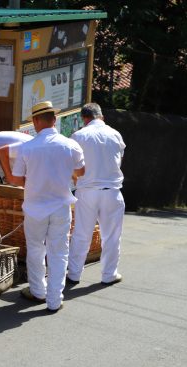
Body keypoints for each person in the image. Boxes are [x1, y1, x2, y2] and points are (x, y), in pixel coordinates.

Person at [5, 101, 85, 313]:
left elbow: (18, 178)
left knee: (35, 249)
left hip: (34, 208)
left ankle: (38, 291)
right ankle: (54, 300)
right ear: (55, 120)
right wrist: (62, 175)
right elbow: (81, 172)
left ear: (35, 121)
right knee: (59, 252)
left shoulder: (27, 148)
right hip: (60, 206)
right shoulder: (70, 145)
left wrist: (35, 181)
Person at [67, 103, 125, 286]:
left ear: (84, 119)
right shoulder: (116, 134)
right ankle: (109, 274)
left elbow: (72, 166)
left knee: (81, 234)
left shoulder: (78, 136)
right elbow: (118, 161)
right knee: (112, 236)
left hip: (86, 191)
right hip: (112, 191)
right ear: (102, 117)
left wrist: (77, 181)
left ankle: (74, 274)